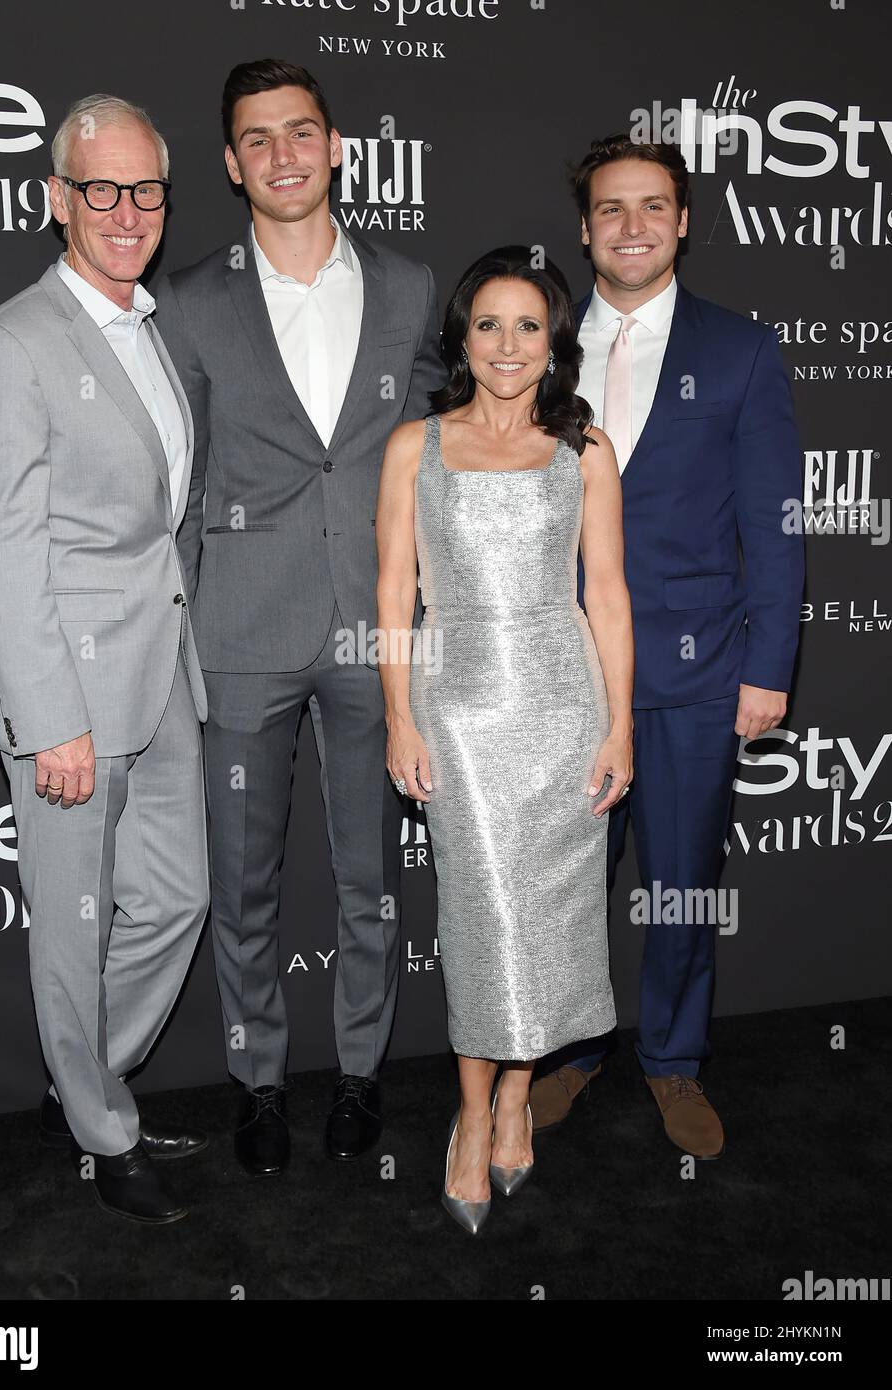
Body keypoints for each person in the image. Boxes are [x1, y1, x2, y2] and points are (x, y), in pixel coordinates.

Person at [154, 59, 446, 1176]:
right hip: (239, 629)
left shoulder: (412, 284)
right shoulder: (187, 300)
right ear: (232, 165)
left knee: (372, 874)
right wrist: (175, 649)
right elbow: (176, 484)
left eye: (303, 131)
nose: (284, 154)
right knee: (243, 882)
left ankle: (362, 1074)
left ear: (336, 148)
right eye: (258, 138)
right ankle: (259, 1083)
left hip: (379, 628)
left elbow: (439, 451)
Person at [0, 95, 210, 1225]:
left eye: (144, 189)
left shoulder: (149, 327)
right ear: (58, 199)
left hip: (162, 670)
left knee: (177, 901)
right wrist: (50, 715)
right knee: (74, 926)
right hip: (68, 691)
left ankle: (84, 1080)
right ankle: (106, 1133)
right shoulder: (12, 344)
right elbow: (1, 548)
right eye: (98, 189)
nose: (124, 211)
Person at [530, 135, 805, 1159]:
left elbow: (774, 523)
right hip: (561, 676)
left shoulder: (740, 350)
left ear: (684, 221)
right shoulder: (537, 347)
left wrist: (769, 665)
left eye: (653, 206)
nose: (632, 225)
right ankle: (569, 1048)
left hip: (694, 674)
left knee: (682, 875)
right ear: (585, 227)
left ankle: (675, 1061)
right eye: (611, 208)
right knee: (564, 881)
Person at [375, 247, 634, 1234]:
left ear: (554, 340)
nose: (509, 345)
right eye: (490, 324)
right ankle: (472, 1111)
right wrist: (400, 711)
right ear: (462, 337)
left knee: (555, 918)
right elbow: (393, 593)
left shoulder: (587, 450)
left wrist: (619, 724)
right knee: (485, 919)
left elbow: (605, 595)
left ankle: (521, 1091)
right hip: (460, 707)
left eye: (530, 325)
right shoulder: (417, 447)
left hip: (565, 704)